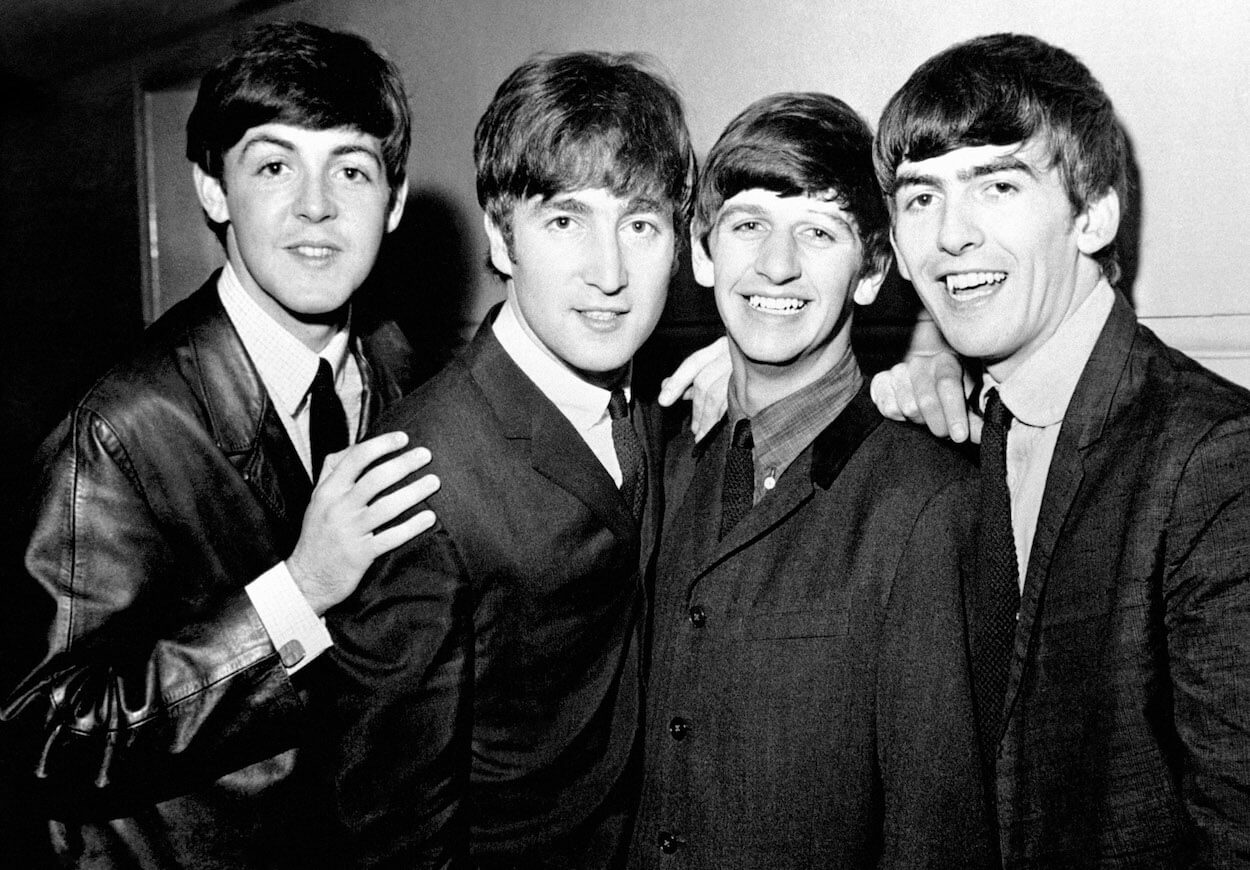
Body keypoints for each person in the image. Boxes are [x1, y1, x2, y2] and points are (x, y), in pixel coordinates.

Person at [1, 21, 440, 869]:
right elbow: (46, 733)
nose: (316, 206)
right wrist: (299, 591)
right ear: (212, 190)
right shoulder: (118, 426)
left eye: (351, 169)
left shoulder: (401, 365)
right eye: (274, 166)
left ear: (392, 201)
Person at [871, 33, 1250, 866]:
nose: (952, 236)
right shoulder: (950, 427)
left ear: (1094, 214)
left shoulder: (1216, 463)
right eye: (920, 198)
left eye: (997, 185)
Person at [318, 50, 697, 869]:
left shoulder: (660, 402)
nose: (609, 274)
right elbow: (393, 828)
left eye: (640, 224)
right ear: (501, 235)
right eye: (565, 220)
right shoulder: (416, 473)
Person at [627, 92, 993, 869]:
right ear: (703, 254)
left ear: (871, 272)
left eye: (818, 233)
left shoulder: (925, 502)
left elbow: (936, 830)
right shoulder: (661, 455)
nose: (777, 264)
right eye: (749, 224)